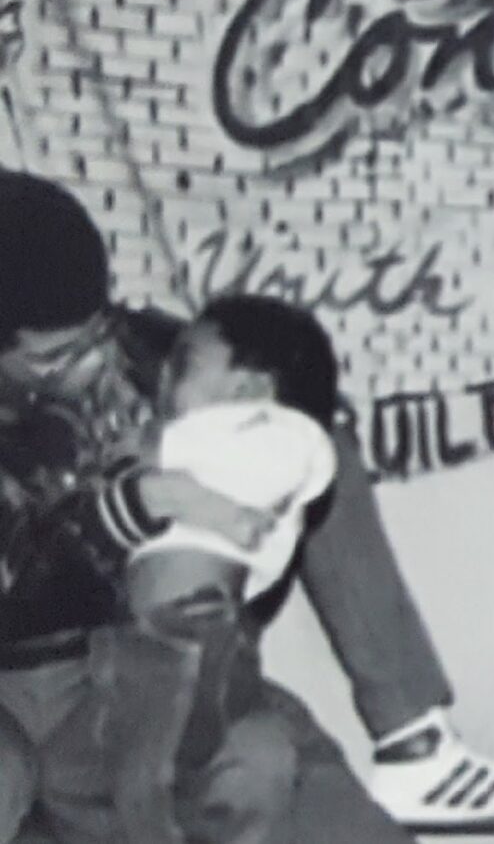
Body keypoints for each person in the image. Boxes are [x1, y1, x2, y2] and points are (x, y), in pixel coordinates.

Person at [0, 170, 494, 840]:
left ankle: (414, 744)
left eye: (99, 330)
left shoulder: (133, 349)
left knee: (302, 431)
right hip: (33, 681)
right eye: (55, 358)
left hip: (166, 655)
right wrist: (135, 503)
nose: (92, 365)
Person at [22, 295, 343, 844]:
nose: (163, 380)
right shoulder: (257, 454)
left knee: (133, 781)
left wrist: (136, 450)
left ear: (249, 391)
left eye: (184, 365)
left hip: (183, 643)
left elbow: (153, 467)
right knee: (84, 777)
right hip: (155, 648)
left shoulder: (267, 437)